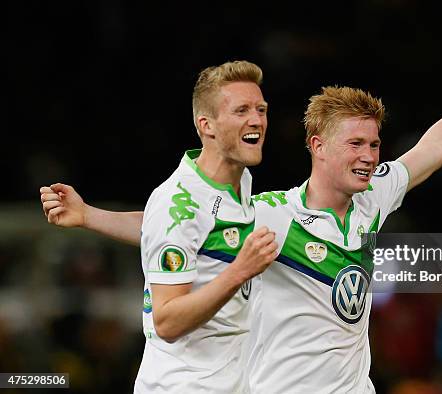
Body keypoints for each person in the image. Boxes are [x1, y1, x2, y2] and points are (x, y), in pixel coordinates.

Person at [41, 36, 442, 392]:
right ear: (318, 147)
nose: (369, 156)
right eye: (356, 144)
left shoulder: (373, 198)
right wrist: (93, 218)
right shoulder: (272, 215)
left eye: (375, 144)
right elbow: (176, 229)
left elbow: (439, 146)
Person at [42, 60, 278, 393]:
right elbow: (166, 321)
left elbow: (176, 233)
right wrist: (241, 270)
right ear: (207, 125)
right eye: (241, 110)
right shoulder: (177, 201)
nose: (256, 120)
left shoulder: (238, 182)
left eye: (261, 109)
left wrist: (88, 215)